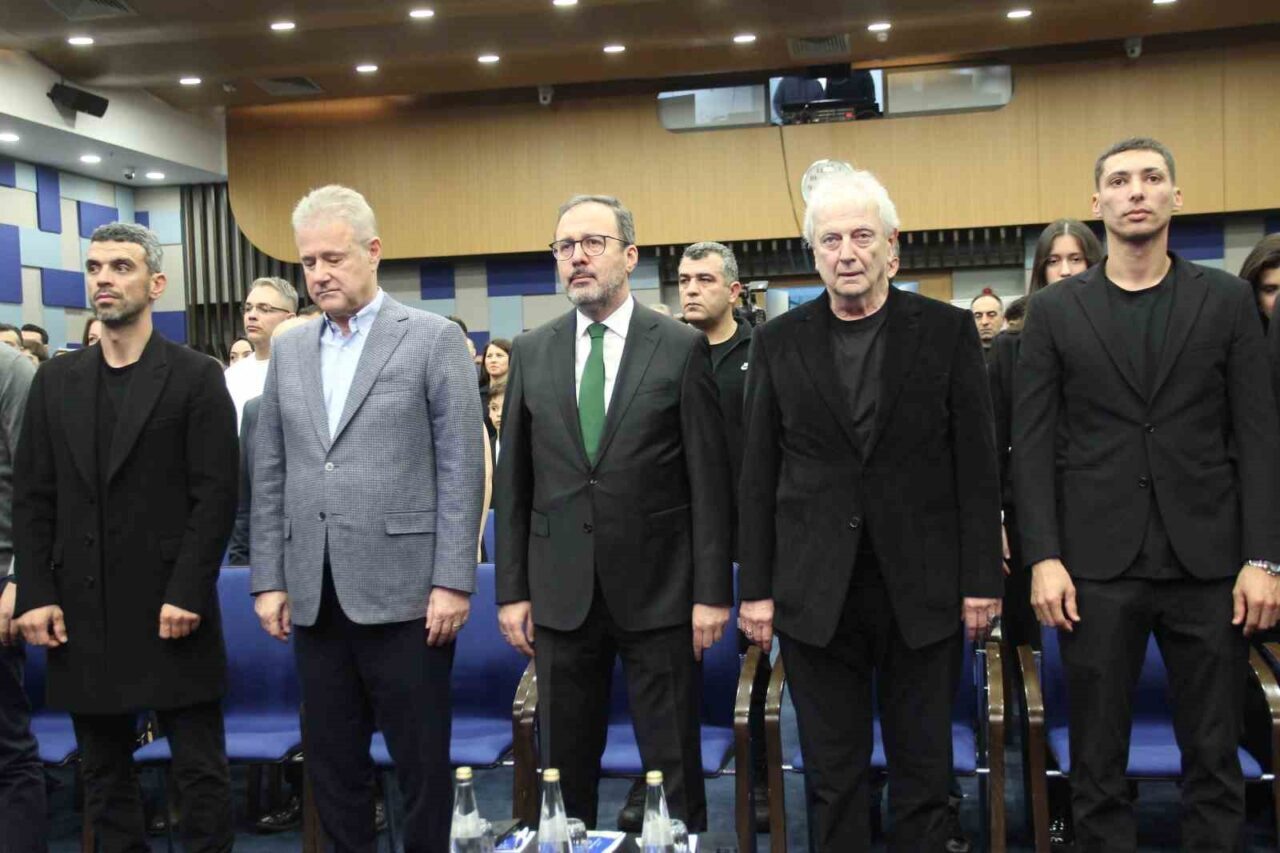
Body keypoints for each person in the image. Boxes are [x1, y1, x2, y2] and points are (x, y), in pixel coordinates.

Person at [1014, 137, 1280, 852]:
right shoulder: (1056, 311)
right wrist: (1043, 556)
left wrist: (1265, 558)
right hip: (1094, 568)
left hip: (1210, 564)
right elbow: (1032, 445)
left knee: (1214, 757)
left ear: (1175, 197)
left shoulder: (1227, 301)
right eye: (1121, 180)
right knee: (1097, 763)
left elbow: (1259, 438)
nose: (1137, 191)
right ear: (1097, 202)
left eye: (1152, 177)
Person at [737, 169, 1002, 852]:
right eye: (831, 240)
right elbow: (758, 475)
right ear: (814, 253)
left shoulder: (947, 332)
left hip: (924, 588)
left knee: (924, 770)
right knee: (832, 775)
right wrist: (756, 589)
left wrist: (982, 580)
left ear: (893, 247)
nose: (847, 252)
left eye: (862, 236)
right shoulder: (777, 341)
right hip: (816, 593)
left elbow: (977, 468)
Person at [251, 185, 485, 852]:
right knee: (332, 765)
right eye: (308, 262)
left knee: (420, 764)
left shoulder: (432, 338)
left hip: (409, 594)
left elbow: (461, 468)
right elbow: (271, 469)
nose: (320, 274)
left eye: (333, 258)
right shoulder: (291, 349)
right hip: (314, 593)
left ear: (373, 251)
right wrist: (269, 577)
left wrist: (453, 580)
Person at [495, 194, 733, 832]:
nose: (577, 257)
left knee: (670, 761)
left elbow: (710, 483)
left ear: (629, 256)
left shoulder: (679, 347)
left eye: (592, 243)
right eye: (565, 246)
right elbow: (513, 484)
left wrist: (712, 593)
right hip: (560, 591)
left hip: (660, 590)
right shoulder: (532, 351)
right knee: (564, 765)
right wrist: (512, 591)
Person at [13, 222, 240, 851]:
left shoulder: (196, 376)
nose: (104, 280)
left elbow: (216, 496)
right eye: (94, 268)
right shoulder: (56, 381)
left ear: (156, 283)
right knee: (104, 776)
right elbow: (32, 497)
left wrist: (189, 590)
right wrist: (35, 592)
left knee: (199, 774)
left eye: (121, 266)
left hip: (172, 608)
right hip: (81, 608)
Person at [675, 240, 770, 832]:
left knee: (748, 664)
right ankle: (661, 778)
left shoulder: (762, 353)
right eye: (684, 280)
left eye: (704, 280)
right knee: (667, 669)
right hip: (674, 540)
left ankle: (757, 777)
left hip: (741, 536)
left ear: (733, 291)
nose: (691, 289)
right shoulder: (663, 353)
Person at [0, 341, 42, 850]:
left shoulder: (10, 370)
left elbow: (36, 488)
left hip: (1, 578)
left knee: (6, 750)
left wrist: (19, 578)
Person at [225, 277, 298, 426]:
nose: (252, 316)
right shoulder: (232, 375)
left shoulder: (303, 371)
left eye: (264, 309)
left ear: (289, 318)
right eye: (248, 308)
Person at [970, 289, 1004, 358]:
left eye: (991, 315)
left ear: (1002, 319)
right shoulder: (961, 355)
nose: (984, 322)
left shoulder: (1015, 353)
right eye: (978, 316)